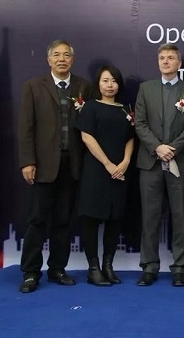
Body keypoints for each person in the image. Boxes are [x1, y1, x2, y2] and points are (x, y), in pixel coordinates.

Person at [17, 39, 91, 293]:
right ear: (49, 60)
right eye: (57, 55)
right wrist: (27, 161)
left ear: (72, 59)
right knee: (37, 221)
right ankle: (30, 272)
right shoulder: (33, 87)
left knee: (63, 221)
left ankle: (57, 269)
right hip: (43, 166)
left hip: (73, 165)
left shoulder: (84, 87)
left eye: (66, 55)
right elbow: (26, 128)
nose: (62, 59)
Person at [134, 43, 184, 287]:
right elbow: (140, 123)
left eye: (170, 58)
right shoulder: (146, 88)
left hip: (180, 162)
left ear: (179, 64)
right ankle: (149, 267)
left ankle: (179, 268)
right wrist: (157, 147)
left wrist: (172, 148)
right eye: (162, 57)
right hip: (151, 162)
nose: (165, 61)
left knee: (181, 217)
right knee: (150, 218)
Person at [75, 65, 134, 286]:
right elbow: (87, 137)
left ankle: (108, 266)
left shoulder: (125, 109)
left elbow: (131, 137)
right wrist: (108, 164)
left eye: (114, 81)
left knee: (115, 218)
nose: (110, 85)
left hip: (120, 170)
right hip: (97, 169)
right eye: (105, 81)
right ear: (98, 84)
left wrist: (125, 162)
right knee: (91, 218)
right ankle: (93, 268)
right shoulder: (91, 107)